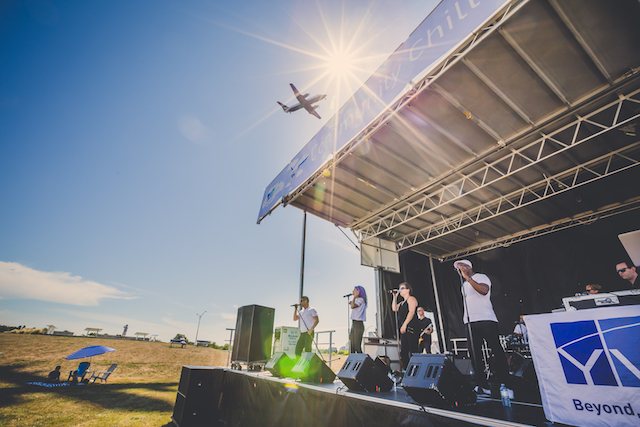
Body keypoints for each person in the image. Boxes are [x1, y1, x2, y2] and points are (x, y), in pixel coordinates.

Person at [454, 259, 509, 394]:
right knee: (474, 354)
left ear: (469, 267)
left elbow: (484, 291)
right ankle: (482, 385)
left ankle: (506, 383)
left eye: (462, 266)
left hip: (486, 319)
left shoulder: (480, 277)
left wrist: (468, 278)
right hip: (470, 322)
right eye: (458, 267)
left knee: (496, 350)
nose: (460, 269)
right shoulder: (464, 285)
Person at [391, 282, 419, 370]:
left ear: (408, 290)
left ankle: (416, 369)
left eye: (402, 288)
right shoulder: (402, 303)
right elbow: (394, 308)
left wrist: (405, 324)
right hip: (405, 328)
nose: (400, 290)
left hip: (411, 326)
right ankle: (407, 370)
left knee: (413, 349)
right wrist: (395, 296)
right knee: (404, 351)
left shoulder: (411, 299)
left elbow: (411, 312)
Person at [349, 286, 367, 353]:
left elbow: (353, 306)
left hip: (358, 324)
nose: (352, 291)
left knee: (357, 346)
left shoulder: (361, 299)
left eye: (354, 290)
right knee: (352, 344)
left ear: (358, 291)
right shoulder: (358, 300)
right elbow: (353, 306)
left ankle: (362, 361)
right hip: (354, 323)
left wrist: (354, 298)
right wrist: (352, 302)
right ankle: (353, 359)